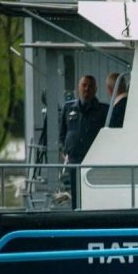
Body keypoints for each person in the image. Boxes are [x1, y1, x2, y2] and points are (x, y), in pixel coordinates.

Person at [59, 74, 108, 204]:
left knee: (92, 196)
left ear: (95, 89)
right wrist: (64, 150)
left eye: (90, 86)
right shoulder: (68, 108)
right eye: (84, 85)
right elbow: (63, 133)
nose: (87, 89)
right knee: (75, 196)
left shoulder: (103, 110)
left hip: (93, 160)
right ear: (78, 87)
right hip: (74, 159)